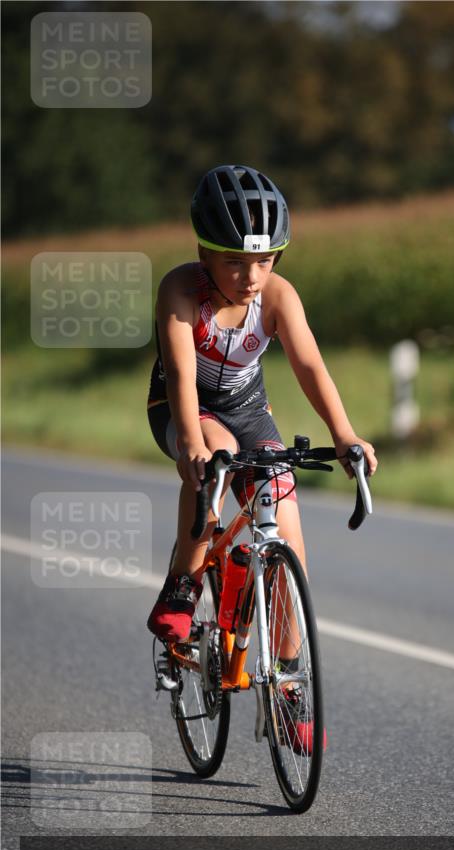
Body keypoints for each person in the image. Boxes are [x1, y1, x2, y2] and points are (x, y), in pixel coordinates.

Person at [146, 164, 377, 642]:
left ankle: (291, 676)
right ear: (203, 254)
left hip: (249, 410)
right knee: (218, 453)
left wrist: (344, 434)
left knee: (288, 533)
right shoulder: (180, 290)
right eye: (234, 262)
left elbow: (310, 366)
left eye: (265, 261)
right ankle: (183, 583)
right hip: (183, 407)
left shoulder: (278, 296)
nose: (250, 277)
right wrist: (191, 443)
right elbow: (182, 375)